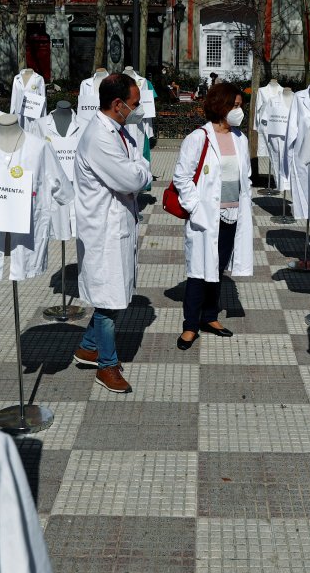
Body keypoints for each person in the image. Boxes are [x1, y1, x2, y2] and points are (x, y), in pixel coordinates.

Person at [72, 73, 153, 393]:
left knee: (115, 294)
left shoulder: (119, 130)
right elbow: (134, 179)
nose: (137, 109)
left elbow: (140, 164)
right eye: (134, 104)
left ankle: (88, 347)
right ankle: (106, 366)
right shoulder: (100, 138)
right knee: (108, 301)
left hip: (117, 224)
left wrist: (139, 169)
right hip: (103, 230)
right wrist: (140, 170)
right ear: (117, 104)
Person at [173, 83, 255, 350]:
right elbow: (181, 177)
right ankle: (190, 325)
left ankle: (210, 317)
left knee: (217, 270)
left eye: (241, 106)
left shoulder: (240, 138)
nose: (239, 111)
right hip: (206, 217)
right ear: (221, 106)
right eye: (235, 106)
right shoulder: (199, 138)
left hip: (232, 214)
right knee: (198, 271)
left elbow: (246, 176)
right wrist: (196, 208)